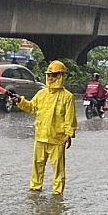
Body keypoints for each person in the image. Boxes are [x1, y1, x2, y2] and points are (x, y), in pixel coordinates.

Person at [10, 59, 78, 195]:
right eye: (48, 75)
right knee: (37, 166)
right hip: (40, 137)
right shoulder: (42, 94)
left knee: (58, 170)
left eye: (53, 75)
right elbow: (31, 107)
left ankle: (58, 195)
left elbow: (69, 118)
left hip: (57, 139)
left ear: (60, 76)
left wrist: (68, 134)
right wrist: (20, 101)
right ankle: (35, 191)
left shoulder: (67, 97)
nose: (50, 78)